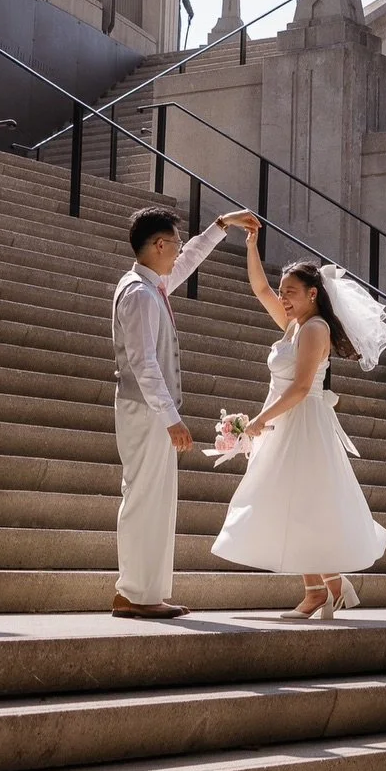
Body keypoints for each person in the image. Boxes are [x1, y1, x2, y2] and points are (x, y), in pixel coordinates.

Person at [212, 227, 386, 619]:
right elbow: (260, 290)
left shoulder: (314, 328)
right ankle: (330, 587)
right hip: (286, 418)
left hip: (302, 420)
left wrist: (259, 421)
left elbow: (302, 387)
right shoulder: (295, 324)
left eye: (290, 292)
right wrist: (251, 245)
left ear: (313, 294)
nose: (283, 298)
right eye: (283, 292)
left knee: (299, 502)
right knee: (291, 501)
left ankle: (319, 592)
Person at [111, 204, 251, 620]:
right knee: (145, 499)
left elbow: (188, 260)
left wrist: (221, 226)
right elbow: (143, 362)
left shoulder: (151, 285)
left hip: (148, 409)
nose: (179, 250)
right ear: (158, 245)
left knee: (154, 500)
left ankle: (140, 592)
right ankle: (135, 593)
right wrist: (171, 417)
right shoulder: (139, 293)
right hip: (146, 410)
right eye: (174, 242)